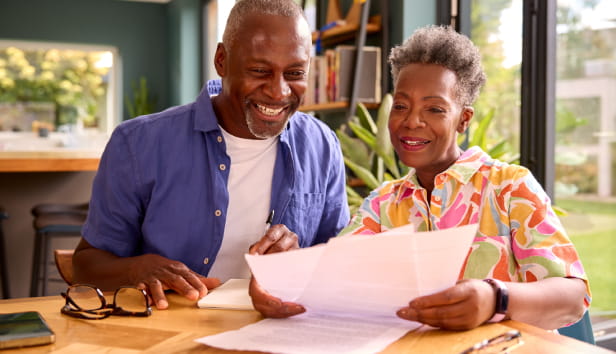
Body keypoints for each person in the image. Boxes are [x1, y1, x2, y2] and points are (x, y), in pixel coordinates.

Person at [250, 25, 590, 331]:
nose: (411, 121)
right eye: (401, 106)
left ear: (463, 119)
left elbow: (573, 297)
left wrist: (495, 298)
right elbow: (333, 284)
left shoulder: (510, 187)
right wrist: (282, 283)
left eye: (435, 109)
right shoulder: (383, 204)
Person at [73, 0, 349, 310]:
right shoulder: (137, 143)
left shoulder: (322, 144)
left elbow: (338, 261)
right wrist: (137, 268)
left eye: (295, 73)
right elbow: (85, 266)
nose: (279, 92)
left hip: (279, 329)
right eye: (260, 71)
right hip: (167, 329)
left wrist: (301, 263)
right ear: (222, 60)